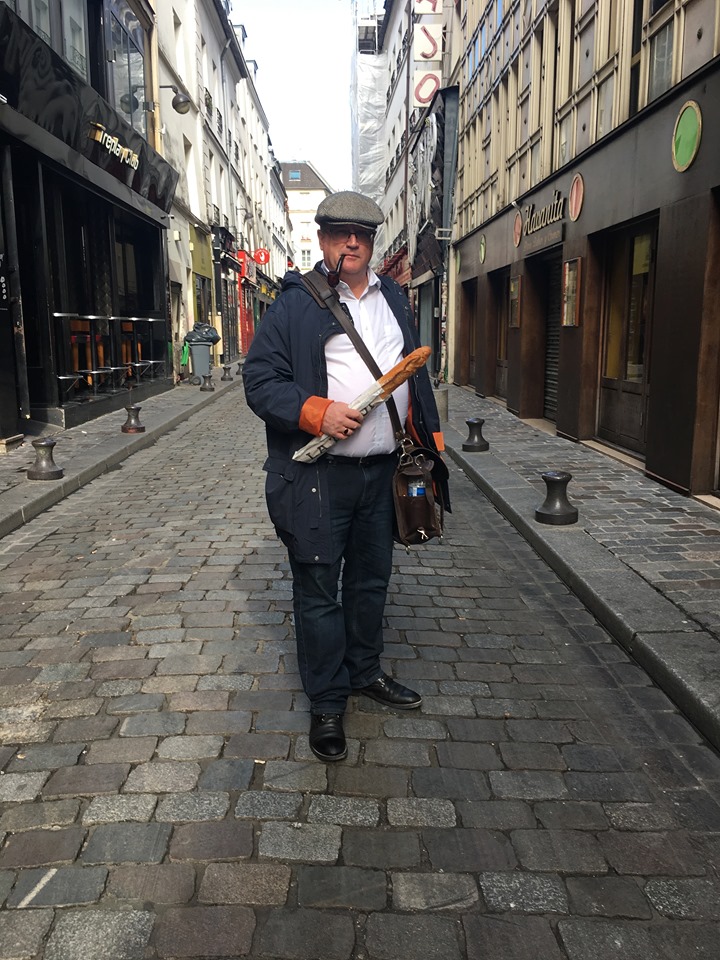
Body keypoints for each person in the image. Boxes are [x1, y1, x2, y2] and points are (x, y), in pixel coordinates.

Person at [243, 191, 449, 762]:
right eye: (340, 233)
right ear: (323, 240)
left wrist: (427, 440)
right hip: (318, 478)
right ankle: (328, 701)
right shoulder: (295, 305)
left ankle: (364, 672)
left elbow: (413, 376)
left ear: (373, 241)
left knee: (369, 582)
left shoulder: (395, 302)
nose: (351, 242)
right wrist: (315, 410)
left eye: (361, 233)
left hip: (380, 474)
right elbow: (259, 380)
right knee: (317, 591)